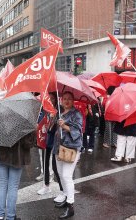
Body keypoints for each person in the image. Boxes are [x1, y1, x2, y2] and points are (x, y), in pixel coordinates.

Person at [54, 91, 83, 219]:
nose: (66, 101)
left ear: (73, 101)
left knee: (66, 176)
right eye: (64, 99)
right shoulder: (60, 113)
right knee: (60, 174)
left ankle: (71, 206)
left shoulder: (76, 114)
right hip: (58, 148)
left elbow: (78, 130)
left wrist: (64, 126)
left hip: (71, 148)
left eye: (69, 99)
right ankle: (66, 197)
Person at [0, 132, 35, 220]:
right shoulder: (23, 122)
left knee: (2, 184)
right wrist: (33, 132)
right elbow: (28, 144)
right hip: (17, 157)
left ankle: (0, 216)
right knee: (13, 186)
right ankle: (10, 217)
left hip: (0, 154)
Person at [37, 93, 64, 197]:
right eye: (50, 98)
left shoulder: (60, 110)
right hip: (46, 139)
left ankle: (62, 189)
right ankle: (46, 186)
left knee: (55, 166)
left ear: (56, 99)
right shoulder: (45, 108)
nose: (51, 100)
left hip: (56, 141)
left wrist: (54, 119)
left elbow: (61, 126)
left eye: (53, 98)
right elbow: (41, 121)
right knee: (45, 163)